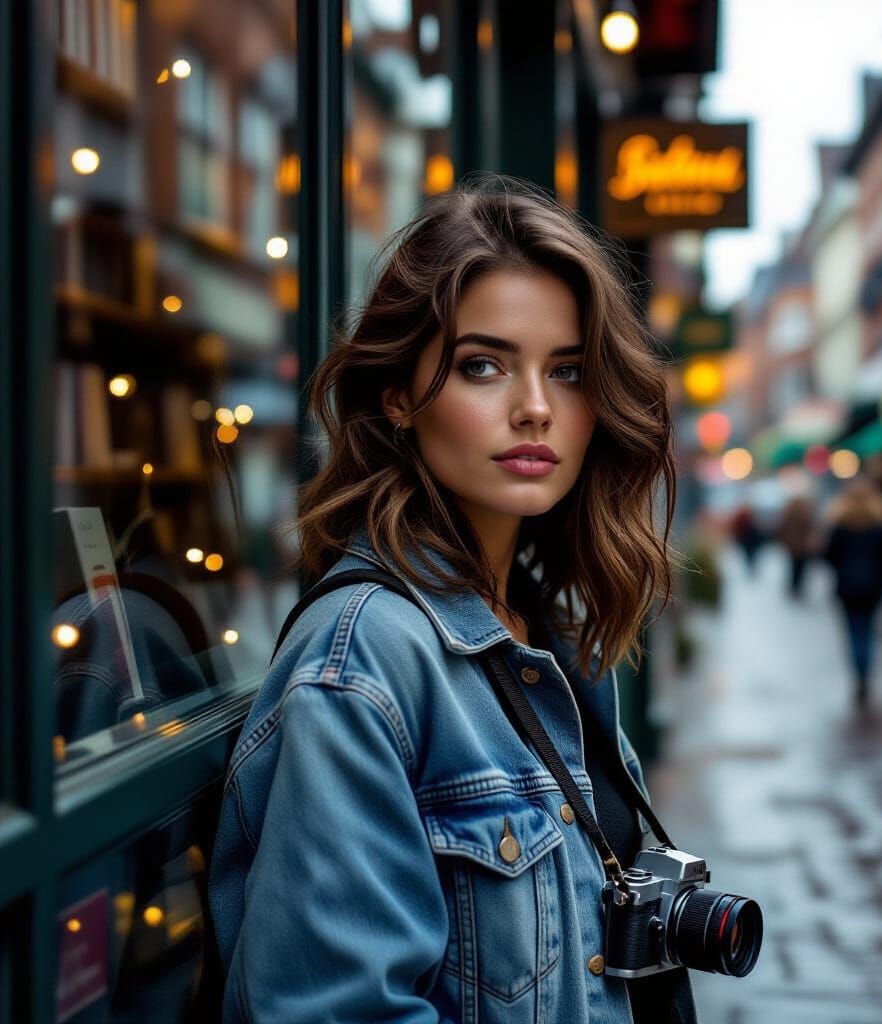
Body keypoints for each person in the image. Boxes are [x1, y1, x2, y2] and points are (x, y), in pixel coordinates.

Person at [207, 177, 698, 1023]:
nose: (537, 408)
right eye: (483, 366)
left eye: (569, 371)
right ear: (398, 394)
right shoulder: (366, 659)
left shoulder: (550, 636)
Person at [822, 476, 882, 708]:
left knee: (853, 632)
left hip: (847, 587)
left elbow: (828, 556)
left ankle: (859, 675)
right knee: (869, 631)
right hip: (873, 587)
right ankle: (865, 674)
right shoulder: (879, 526)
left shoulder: (840, 526)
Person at [775, 495, 816, 598]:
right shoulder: (805, 515)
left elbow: (781, 530)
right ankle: (797, 586)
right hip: (801, 547)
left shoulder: (789, 515)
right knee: (800, 568)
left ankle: (794, 586)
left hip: (794, 546)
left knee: (794, 568)